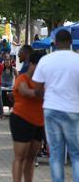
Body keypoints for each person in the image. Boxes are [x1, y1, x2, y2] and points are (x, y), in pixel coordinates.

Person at [33, 30, 79, 182]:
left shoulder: (46, 60)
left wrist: (46, 98)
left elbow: (37, 88)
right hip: (73, 110)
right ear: (71, 42)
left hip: (51, 109)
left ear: (55, 43)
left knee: (56, 153)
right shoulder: (77, 60)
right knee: (76, 153)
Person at [10, 51, 44, 182]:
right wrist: (41, 93)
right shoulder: (22, 78)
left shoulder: (43, 81)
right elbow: (24, 91)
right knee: (20, 157)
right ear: (31, 64)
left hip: (39, 123)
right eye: (39, 65)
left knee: (31, 158)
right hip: (21, 120)